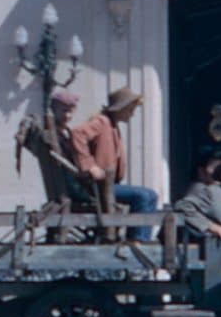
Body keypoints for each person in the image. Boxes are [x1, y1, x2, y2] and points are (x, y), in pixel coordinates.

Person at [65, 85, 156, 238]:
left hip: (107, 186)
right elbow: (77, 134)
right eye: (131, 109)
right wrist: (90, 165)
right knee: (143, 196)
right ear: (121, 108)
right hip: (95, 188)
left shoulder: (111, 125)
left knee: (151, 195)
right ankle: (138, 240)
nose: (132, 113)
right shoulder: (101, 122)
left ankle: (140, 239)